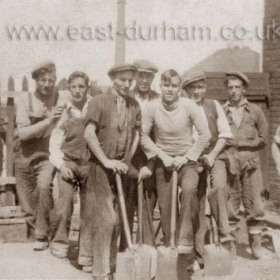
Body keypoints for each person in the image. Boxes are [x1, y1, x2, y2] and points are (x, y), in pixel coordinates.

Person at [141, 69, 211, 256]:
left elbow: (205, 135)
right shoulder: (151, 107)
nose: (170, 89)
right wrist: (162, 156)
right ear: (160, 86)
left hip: (187, 161)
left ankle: (185, 241)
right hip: (163, 162)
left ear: (180, 88)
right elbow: (143, 136)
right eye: (166, 85)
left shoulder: (189, 106)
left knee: (189, 189)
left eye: (174, 86)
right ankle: (169, 241)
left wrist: (187, 157)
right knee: (166, 203)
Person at [81, 63, 140, 280]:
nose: (126, 84)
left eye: (129, 80)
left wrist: (126, 160)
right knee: (106, 219)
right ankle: (100, 271)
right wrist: (106, 161)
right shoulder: (98, 102)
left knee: (117, 221)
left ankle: (112, 266)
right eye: (122, 79)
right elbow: (89, 134)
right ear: (112, 78)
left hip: (120, 169)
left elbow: (136, 135)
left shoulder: (134, 105)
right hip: (100, 168)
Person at [182, 71, 233, 269]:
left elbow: (224, 134)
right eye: (192, 87)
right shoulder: (181, 107)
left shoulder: (213, 105)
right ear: (186, 90)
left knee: (219, 187)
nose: (197, 91)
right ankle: (198, 252)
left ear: (205, 88)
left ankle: (224, 232)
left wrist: (211, 156)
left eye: (200, 87)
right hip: (191, 159)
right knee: (195, 202)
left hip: (214, 156)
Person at [14, 61, 65, 250]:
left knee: (44, 188)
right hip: (23, 154)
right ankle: (35, 236)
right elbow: (24, 133)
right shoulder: (24, 99)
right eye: (43, 80)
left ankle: (42, 236)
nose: (47, 84)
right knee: (27, 202)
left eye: (51, 80)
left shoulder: (60, 97)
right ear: (36, 80)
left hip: (46, 154)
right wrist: (48, 121)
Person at [223, 71, 268, 259]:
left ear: (244, 89)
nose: (233, 91)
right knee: (230, 203)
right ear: (226, 89)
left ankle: (255, 245)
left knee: (255, 203)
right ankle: (230, 246)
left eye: (237, 87)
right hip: (230, 161)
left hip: (251, 163)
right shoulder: (221, 110)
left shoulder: (255, 110)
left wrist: (243, 144)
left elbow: (264, 138)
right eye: (230, 87)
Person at [49, 71, 91, 259]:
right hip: (68, 163)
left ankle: (86, 249)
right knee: (64, 203)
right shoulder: (64, 111)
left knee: (90, 206)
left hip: (89, 164)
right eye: (73, 87)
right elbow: (55, 143)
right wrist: (61, 165)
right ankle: (59, 242)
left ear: (87, 88)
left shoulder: (93, 108)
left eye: (81, 86)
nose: (77, 91)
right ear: (68, 89)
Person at [123, 59, 159, 247]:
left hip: (150, 157)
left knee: (148, 200)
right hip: (127, 155)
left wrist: (151, 163)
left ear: (153, 78)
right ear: (135, 76)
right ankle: (126, 247)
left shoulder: (159, 99)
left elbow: (160, 134)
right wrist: (126, 161)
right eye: (141, 75)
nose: (144, 80)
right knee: (127, 201)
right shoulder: (125, 96)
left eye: (148, 76)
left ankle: (145, 246)